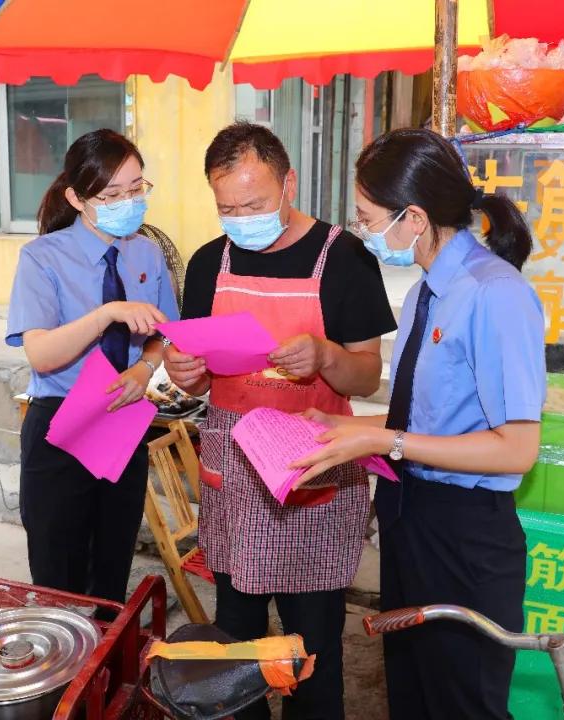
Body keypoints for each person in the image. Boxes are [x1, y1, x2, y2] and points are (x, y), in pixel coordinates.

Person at [292, 128, 546, 720]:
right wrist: (343, 428)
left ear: (413, 217)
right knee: (411, 688)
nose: (361, 232)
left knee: (462, 700)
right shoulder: (426, 293)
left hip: (466, 537)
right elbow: (427, 417)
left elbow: (516, 448)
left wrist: (383, 439)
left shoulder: (495, 294)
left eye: (365, 218)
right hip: (412, 515)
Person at [164, 122, 396, 720]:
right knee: (236, 636)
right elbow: (194, 371)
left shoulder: (344, 256)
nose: (242, 217)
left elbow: (366, 377)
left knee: (311, 639)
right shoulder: (209, 261)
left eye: (256, 202)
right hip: (233, 471)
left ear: (288, 182)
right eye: (228, 207)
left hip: (311, 466)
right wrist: (184, 370)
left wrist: (325, 356)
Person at [5, 129, 179, 613]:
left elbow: (165, 332)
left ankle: (104, 669)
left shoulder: (147, 253)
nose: (129, 202)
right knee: (57, 574)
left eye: (137, 189)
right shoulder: (42, 258)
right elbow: (40, 355)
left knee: (111, 568)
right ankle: (62, 674)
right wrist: (106, 314)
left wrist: (145, 370)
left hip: (123, 418)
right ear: (77, 198)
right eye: (112, 195)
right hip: (63, 423)